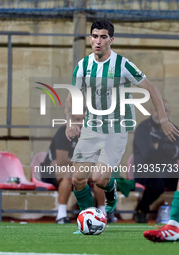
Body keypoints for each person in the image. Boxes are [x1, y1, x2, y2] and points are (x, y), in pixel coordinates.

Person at [65, 19, 179, 233]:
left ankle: (110, 190)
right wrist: (71, 121)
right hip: (91, 128)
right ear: (90, 38)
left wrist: (163, 120)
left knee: (99, 179)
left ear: (111, 40)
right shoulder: (83, 66)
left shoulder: (122, 64)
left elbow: (151, 88)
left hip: (116, 130)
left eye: (103, 37)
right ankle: (88, 220)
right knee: (78, 179)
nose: (98, 41)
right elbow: (73, 96)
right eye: (95, 36)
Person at [40, 114, 106, 224]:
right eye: (78, 119)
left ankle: (103, 215)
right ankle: (61, 215)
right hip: (52, 170)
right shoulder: (64, 132)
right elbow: (61, 161)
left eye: (84, 119)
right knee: (68, 174)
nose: (81, 123)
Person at [133, 99, 179, 223]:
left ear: (168, 113)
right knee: (157, 182)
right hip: (145, 171)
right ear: (151, 111)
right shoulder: (143, 129)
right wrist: (169, 151)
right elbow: (148, 154)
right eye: (157, 110)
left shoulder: (174, 129)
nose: (160, 114)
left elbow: (177, 152)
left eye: (164, 111)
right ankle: (141, 209)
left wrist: (160, 146)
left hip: (168, 172)